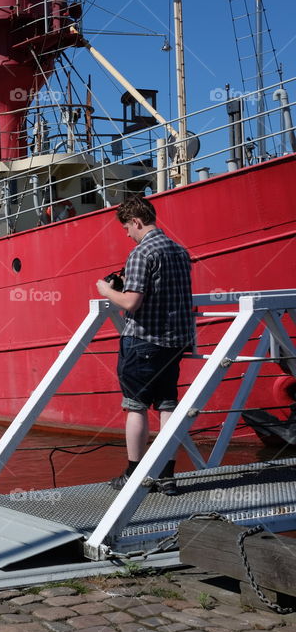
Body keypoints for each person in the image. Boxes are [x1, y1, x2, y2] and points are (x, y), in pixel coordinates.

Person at [96, 195, 194, 496]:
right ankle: (167, 477)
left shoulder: (142, 253)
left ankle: (133, 474)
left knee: (135, 407)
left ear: (137, 222)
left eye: (127, 228)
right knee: (167, 406)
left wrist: (104, 289)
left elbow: (131, 302)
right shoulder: (180, 251)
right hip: (175, 343)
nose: (127, 234)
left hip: (144, 342)